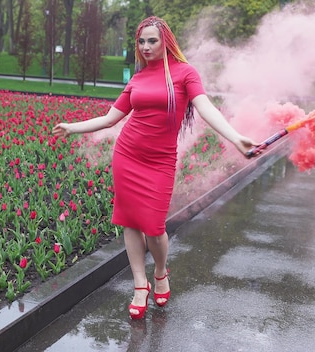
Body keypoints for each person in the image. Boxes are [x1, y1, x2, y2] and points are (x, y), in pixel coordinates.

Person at [52, 16, 257, 320]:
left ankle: (160, 271)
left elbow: (205, 108)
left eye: (152, 41)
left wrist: (235, 137)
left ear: (166, 42)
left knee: (155, 227)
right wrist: (72, 127)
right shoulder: (137, 79)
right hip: (127, 155)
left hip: (160, 161)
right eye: (141, 41)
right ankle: (139, 284)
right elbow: (110, 119)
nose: (146, 47)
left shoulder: (185, 74)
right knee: (129, 221)